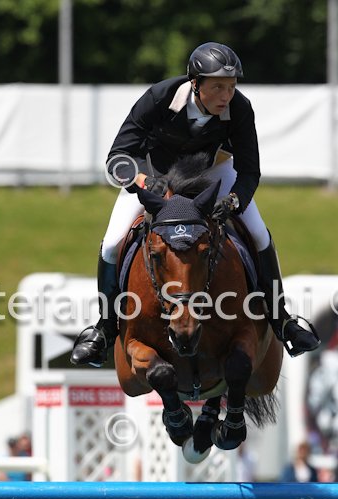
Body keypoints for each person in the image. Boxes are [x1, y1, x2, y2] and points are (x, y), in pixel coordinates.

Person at [71, 41, 320, 367]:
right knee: (112, 243)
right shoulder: (159, 97)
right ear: (195, 83)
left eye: (231, 86)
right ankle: (104, 329)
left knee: (259, 234)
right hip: (156, 174)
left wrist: (234, 200)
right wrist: (145, 181)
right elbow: (118, 157)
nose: (226, 96)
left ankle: (282, 320)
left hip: (213, 172)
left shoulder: (240, 108)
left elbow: (249, 171)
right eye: (217, 87)